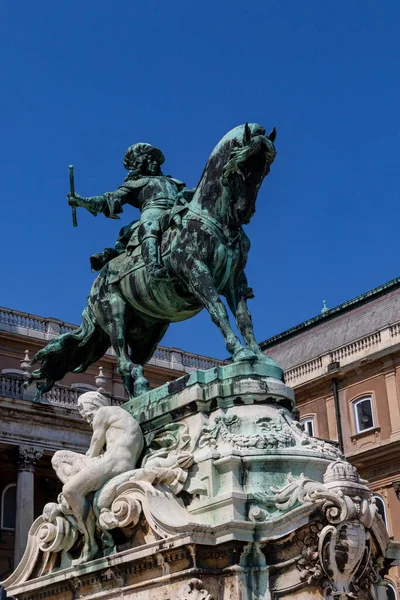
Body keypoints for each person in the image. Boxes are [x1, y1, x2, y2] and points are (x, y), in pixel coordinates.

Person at [68, 143, 186, 279]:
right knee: (150, 225)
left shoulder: (173, 182)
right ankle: (153, 265)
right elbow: (108, 200)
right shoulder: (135, 184)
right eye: (149, 160)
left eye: (155, 160)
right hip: (153, 210)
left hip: (178, 208)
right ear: (140, 163)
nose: (154, 163)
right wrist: (83, 202)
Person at [51, 391, 144, 565]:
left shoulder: (104, 412)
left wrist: (76, 478)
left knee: (69, 487)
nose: (84, 416)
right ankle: (78, 502)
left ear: (92, 404)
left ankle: (90, 542)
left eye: (84, 410)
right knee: (59, 459)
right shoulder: (120, 419)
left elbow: (94, 448)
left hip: (112, 462)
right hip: (117, 462)